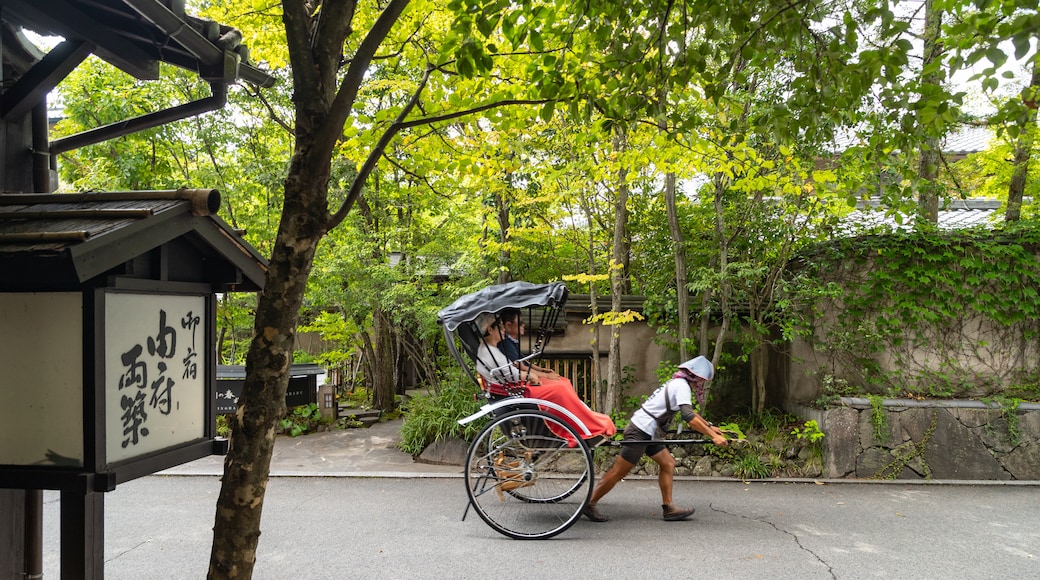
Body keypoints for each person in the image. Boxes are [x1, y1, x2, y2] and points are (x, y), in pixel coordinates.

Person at [582, 355, 728, 522]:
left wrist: (709, 427)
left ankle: (669, 507)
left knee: (668, 463)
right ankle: (590, 502)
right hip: (640, 430)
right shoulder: (682, 386)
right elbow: (689, 417)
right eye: (703, 380)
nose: (702, 383)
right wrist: (714, 437)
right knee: (618, 471)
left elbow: (691, 413)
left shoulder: (678, 383)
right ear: (697, 377)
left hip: (650, 432)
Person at [474, 313, 616, 443]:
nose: (503, 329)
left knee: (562, 384)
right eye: (499, 327)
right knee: (560, 388)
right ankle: (580, 427)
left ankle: (585, 419)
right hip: (514, 389)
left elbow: (513, 368)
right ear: (491, 330)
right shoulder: (490, 352)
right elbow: (513, 373)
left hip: (511, 386)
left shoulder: (489, 349)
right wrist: (532, 375)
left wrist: (536, 373)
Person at [498, 308, 562, 380]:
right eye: (520, 323)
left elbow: (525, 361)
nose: (523, 325)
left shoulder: (512, 341)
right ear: (508, 325)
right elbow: (521, 367)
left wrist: (542, 370)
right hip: (520, 379)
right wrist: (546, 375)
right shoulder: (506, 343)